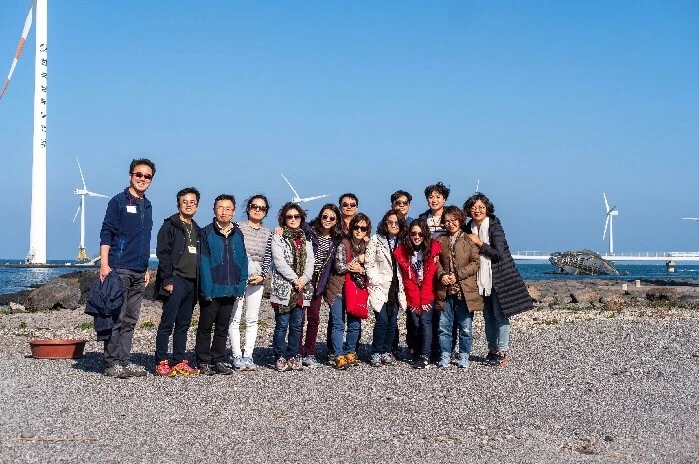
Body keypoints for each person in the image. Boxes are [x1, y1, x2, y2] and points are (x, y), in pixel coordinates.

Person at [99, 158, 156, 378]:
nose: (142, 178)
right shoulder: (118, 202)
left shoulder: (147, 205)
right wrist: (104, 264)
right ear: (130, 176)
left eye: (147, 176)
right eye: (138, 174)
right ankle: (111, 363)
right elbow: (107, 232)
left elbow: (144, 240)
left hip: (139, 270)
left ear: (151, 180)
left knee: (131, 318)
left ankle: (123, 361)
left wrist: (146, 268)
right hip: (119, 267)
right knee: (117, 316)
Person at [464, 192, 533, 367]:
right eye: (473, 207)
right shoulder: (468, 227)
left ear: (487, 209)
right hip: (480, 278)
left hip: (500, 277)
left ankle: (502, 352)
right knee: (488, 316)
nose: (477, 210)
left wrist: (479, 243)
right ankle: (492, 349)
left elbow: (498, 254)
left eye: (481, 207)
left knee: (500, 315)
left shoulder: (494, 225)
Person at [196, 194, 248, 376]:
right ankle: (203, 360)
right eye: (220, 208)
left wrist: (241, 286)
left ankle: (218, 359)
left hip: (231, 288)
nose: (224, 212)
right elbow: (203, 262)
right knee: (205, 327)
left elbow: (243, 260)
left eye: (228, 208)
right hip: (212, 289)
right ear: (214, 210)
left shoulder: (238, 233)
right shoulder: (206, 232)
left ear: (233, 212)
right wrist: (206, 289)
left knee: (222, 327)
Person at [154, 187, 201, 377]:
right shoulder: (170, 226)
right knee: (167, 323)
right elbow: (162, 253)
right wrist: (167, 279)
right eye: (185, 202)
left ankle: (179, 360)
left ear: (197, 206)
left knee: (184, 324)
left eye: (192, 202)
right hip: (175, 279)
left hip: (192, 282)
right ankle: (161, 361)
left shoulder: (197, 229)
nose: (188, 205)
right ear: (178, 204)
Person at [228, 195, 272, 371]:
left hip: (257, 279)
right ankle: (237, 355)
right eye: (254, 206)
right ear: (248, 208)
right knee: (235, 318)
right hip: (237, 278)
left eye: (262, 208)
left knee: (252, 319)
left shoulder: (268, 233)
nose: (257, 210)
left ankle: (248, 355)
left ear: (266, 212)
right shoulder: (237, 227)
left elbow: (268, 257)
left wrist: (263, 275)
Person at [269, 202, 315, 372]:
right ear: (284, 219)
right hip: (284, 287)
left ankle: (293, 355)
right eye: (289, 216)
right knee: (282, 324)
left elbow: (310, 263)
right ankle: (280, 356)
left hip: (302, 288)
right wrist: (295, 279)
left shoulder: (306, 240)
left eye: (297, 216)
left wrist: (304, 279)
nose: (293, 219)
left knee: (297, 325)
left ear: (301, 218)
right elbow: (279, 262)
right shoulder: (278, 237)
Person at [434, 205, 481, 369]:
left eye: (454, 220)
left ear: (460, 220)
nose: (450, 223)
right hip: (445, 291)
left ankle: (464, 356)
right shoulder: (440, 240)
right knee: (444, 327)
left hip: (465, 291)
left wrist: (457, 275)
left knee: (465, 327)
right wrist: (442, 275)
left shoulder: (469, 239)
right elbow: (434, 261)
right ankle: (445, 355)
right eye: (447, 221)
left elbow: (475, 263)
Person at [298, 203, 343, 368]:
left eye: (332, 217)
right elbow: (292, 225)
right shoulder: (309, 231)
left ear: (336, 220)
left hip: (319, 282)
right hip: (303, 279)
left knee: (314, 318)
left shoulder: (336, 239)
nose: (328, 220)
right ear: (320, 216)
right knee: (299, 317)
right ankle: (297, 352)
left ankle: (309, 353)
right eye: (325, 216)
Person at [324, 213, 371, 370]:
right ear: (351, 228)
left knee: (355, 324)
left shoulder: (367, 246)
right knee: (338, 323)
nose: (359, 230)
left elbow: (371, 268)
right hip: (338, 289)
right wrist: (356, 264)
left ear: (367, 230)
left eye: (363, 228)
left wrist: (361, 269)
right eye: (356, 227)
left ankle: (350, 352)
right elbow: (339, 266)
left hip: (355, 291)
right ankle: (338, 355)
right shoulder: (343, 243)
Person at [394, 218, 441, 369]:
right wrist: (415, 302)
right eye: (413, 233)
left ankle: (425, 356)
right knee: (414, 322)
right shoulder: (402, 252)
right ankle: (415, 350)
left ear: (425, 235)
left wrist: (425, 300)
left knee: (425, 321)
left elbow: (429, 277)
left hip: (428, 291)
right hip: (412, 292)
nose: (417, 236)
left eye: (420, 234)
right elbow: (408, 280)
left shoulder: (433, 249)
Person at [365, 210, 407, 367]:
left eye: (397, 223)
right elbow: (369, 263)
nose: (393, 225)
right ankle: (376, 352)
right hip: (380, 286)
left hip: (396, 287)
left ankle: (387, 351)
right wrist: (374, 280)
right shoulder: (376, 239)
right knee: (382, 320)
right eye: (390, 222)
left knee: (392, 321)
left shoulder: (403, 241)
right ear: (385, 223)